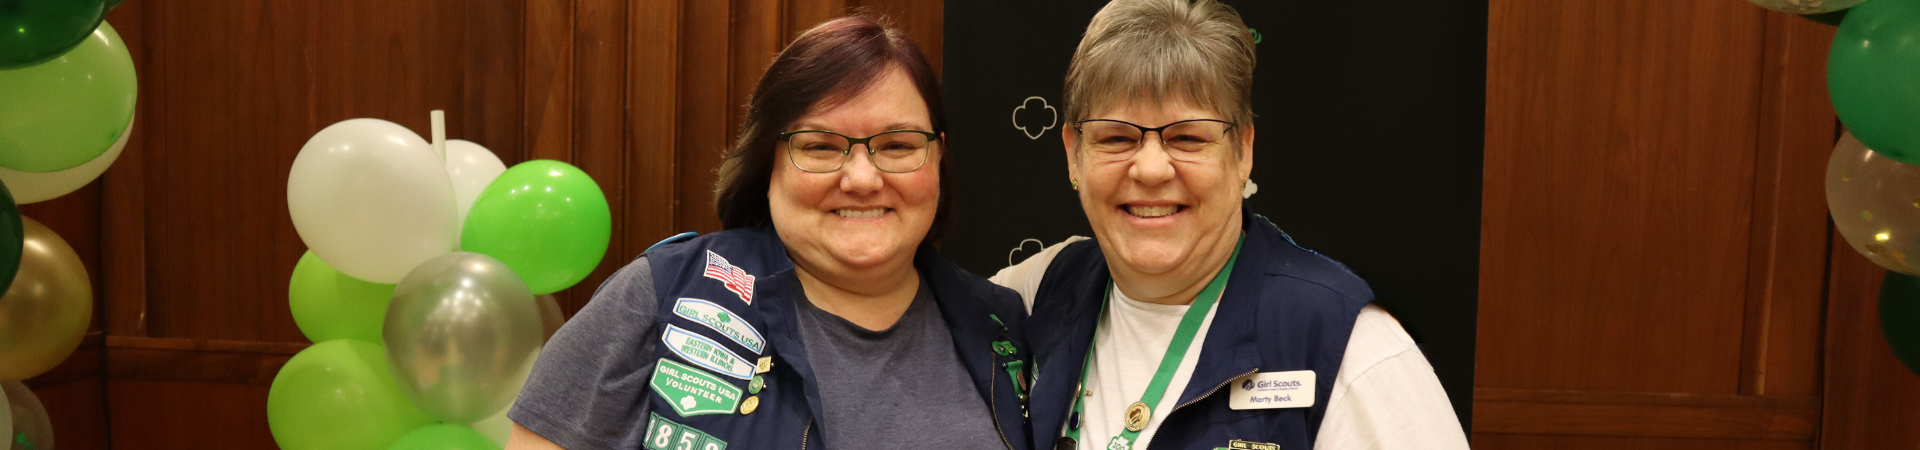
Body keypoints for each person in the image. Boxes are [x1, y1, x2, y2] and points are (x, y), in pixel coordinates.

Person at [506, 16, 1034, 450]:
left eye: (897, 146)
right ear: (769, 164)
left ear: (938, 156)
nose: (862, 179)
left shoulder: (1002, 328)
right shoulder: (658, 295)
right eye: (821, 147)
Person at [990, 1, 1470, 449]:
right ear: (1073, 153)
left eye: (1188, 137)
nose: (1151, 169)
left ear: (1243, 151)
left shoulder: (1350, 348)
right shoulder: (1036, 293)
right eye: (1117, 137)